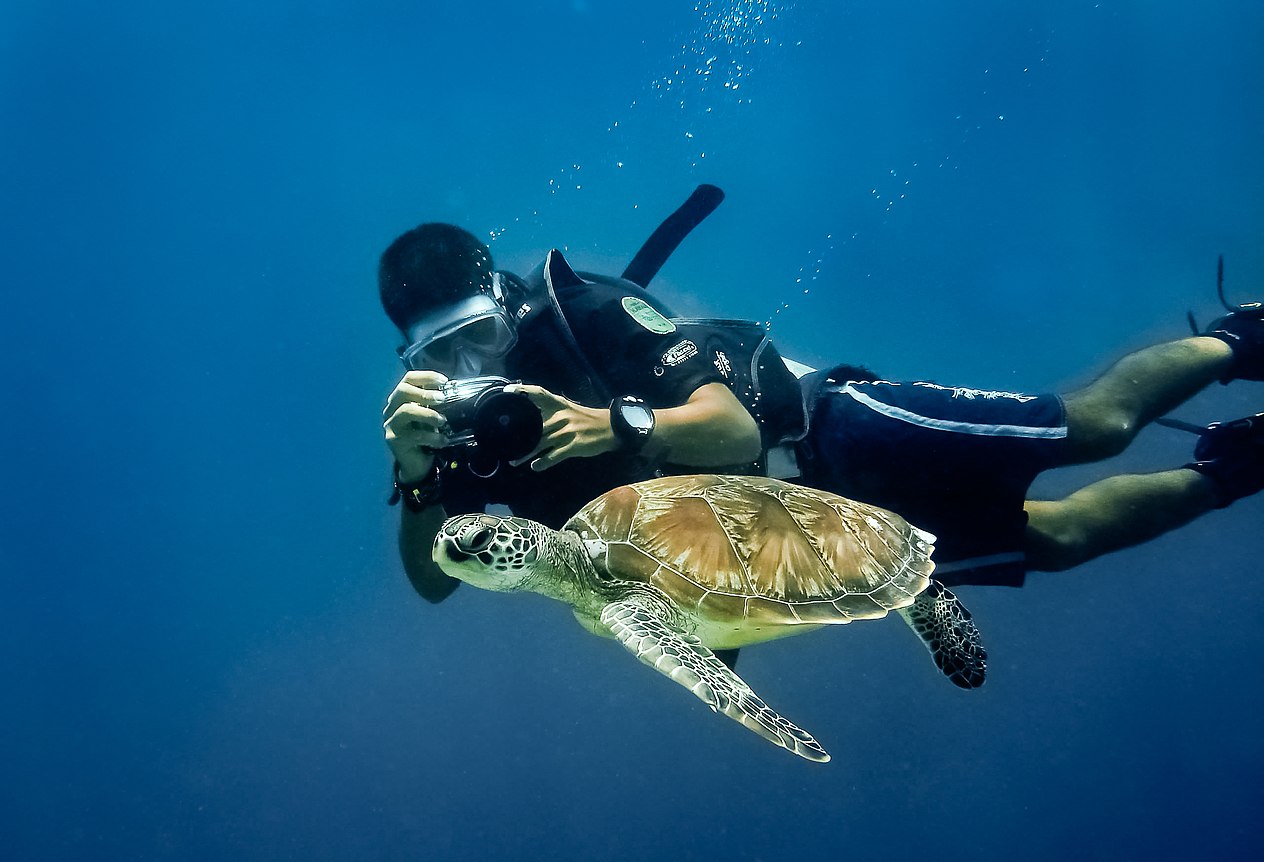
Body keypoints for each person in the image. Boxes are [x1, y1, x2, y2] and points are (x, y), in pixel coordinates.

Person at [380, 210, 1264, 607]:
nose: (469, 367)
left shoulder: (589, 316)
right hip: (791, 532)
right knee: (1058, 540)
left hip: (823, 434)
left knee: (1096, 427)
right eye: (439, 355)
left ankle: (1241, 340)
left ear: (504, 302)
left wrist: (615, 425)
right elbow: (433, 582)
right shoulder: (447, 429)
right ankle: (1235, 467)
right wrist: (418, 483)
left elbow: (731, 427)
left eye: (478, 335)